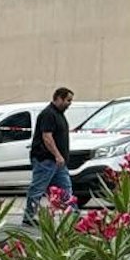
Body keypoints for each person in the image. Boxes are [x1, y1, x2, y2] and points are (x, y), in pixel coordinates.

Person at [23, 86, 76, 226]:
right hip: (46, 160)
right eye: (68, 100)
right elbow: (47, 137)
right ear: (59, 98)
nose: (70, 104)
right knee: (38, 188)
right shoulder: (48, 114)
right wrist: (57, 155)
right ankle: (28, 216)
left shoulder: (59, 114)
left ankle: (73, 217)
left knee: (66, 189)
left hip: (58, 162)